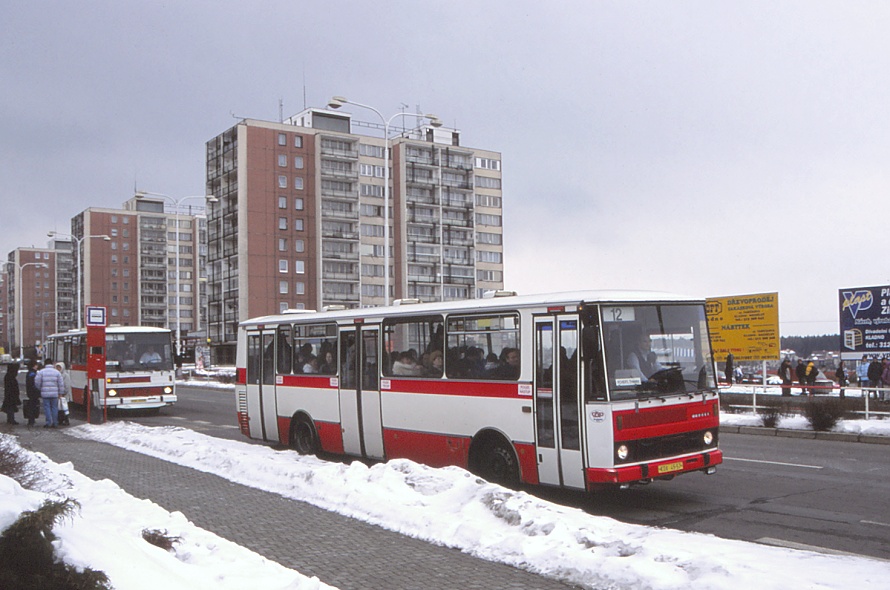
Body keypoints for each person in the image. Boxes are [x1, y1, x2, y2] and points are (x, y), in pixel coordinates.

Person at [35, 358, 64, 428]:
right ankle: (55, 423)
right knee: (54, 408)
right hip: (55, 394)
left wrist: (41, 388)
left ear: (45, 364)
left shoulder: (41, 372)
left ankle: (48, 422)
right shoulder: (57, 372)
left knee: (47, 408)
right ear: (52, 364)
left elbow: (37, 382)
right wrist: (60, 393)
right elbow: (61, 384)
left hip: (45, 393)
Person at [24, 360, 41, 427]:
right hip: (33, 392)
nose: (37, 366)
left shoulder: (30, 373)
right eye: (36, 365)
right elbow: (34, 384)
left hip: (30, 392)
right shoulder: (32, 373)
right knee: (33, 406)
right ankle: (31, 420)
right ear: (33, 365)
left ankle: (31, 420)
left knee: (32, 406)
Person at [55, 361, 72, 425]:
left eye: (59, 367)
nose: (58, 369)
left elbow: (67, 385)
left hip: (64, 395)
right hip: (58, 394)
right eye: (57, 367)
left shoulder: (65, 375)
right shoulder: (56, 375)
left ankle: (66, 420)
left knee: (64, 408)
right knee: (59, 408)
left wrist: (63, 393)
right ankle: (60, 420)